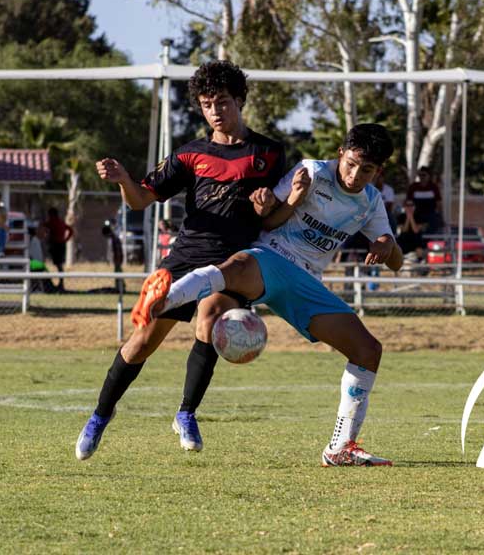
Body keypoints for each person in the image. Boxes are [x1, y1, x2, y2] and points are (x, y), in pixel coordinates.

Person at [130, 124, 403, 466]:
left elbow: (396, 262)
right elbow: (268, 219)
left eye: (366, 170)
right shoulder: (312, 172)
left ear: (379, 172)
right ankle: (161, 300)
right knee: (237, 267)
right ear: (340, 154)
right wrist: (285, 200)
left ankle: (340, 448)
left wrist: (387, 244)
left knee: (368, 350)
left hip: (305, 283)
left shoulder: (371, 201)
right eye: (351, 164)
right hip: (271, 257)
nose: (354, 174)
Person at [75, 60, 286, 460]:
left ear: (239, 100)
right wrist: (123, 180)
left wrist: (269, 204)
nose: (215, 110)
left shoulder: (270, 153)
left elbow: (276, 215)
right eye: (207, 104)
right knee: (141, 343)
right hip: (187, 258)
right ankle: (100, 415)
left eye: (222, 101)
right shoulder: (190, 155)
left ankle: (186, 413)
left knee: (209, 321)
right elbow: (141, 199)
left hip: (234, 265)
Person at [43, 207, 75, 292]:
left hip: (56, 245)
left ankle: (61, 283)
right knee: (59, 264)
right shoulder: (60, 222)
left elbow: (46, 226)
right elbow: (70, 230)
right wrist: (66, 239)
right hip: (60, 244)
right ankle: (60, 283)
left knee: (58, 264)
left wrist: (65, 239)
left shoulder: (54, 222)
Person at [406, 166, 442, 234]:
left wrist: (440, 215)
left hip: (430, 214)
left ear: (429, 176)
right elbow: (408, 202)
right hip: (417, 213)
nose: (421, 177)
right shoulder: (413, 187)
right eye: (420, 175)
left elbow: (438, 203)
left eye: (424, 175)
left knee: (434, 220)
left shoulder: (433, 187)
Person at [396, 199, 426, 266]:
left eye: (411, 205)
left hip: (416, 239)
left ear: (414, 207)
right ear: (404, 207)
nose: (409, 207)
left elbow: (416, 230)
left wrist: (411, 217)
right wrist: (407, 218)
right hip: (404, 239)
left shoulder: (419, 216)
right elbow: (404, 230)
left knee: (418, 241)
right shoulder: (401, 217)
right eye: (407, 205)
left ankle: (420, 260)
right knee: (400, 241)